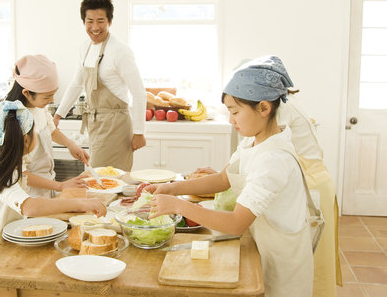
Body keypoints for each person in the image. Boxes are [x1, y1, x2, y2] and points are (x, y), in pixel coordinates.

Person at [146, 56, 314, 297]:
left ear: (264, 108)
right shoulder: (253, 140)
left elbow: (236, 223)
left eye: (235, 111)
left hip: (283, 267)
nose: (230, 119)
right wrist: (173, 188)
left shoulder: (273, 160)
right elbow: (224, 178)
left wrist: (178, 205)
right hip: (262, 250)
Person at [0, 100, 106, 297]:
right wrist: (83, 202)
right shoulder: (4, 172)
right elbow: (29, 207)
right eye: (35, 131)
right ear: (27, 140)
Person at [53, 0, 146, 171]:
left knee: (108, 178)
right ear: (84, 22)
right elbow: (76, 84)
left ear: (110, 21)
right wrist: (58, 116)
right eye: (90, 21)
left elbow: (139, 93)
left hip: (116, 125)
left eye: (100, 21)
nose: (95, 27)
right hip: (96, 124)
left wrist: (139, 132)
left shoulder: (121, 52)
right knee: (102, 178)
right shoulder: (85, 47)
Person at [277, 89, 342, 296]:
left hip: (312, 185)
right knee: (316, 259)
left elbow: (264, 148)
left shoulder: (281, 107)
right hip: (317, 180)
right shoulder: (288, 101)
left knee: (315, 261)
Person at [6, 54, 90, 198]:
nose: (51, 100)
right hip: (28, 192)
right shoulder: (14, 121)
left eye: (53, 94)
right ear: (26, 93)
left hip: (48, 184)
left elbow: (50, 129)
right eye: (46, 96)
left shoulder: (38, 106)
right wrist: (61, 185)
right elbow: (19, 173)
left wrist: (70, 145)